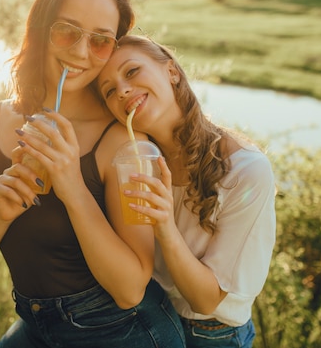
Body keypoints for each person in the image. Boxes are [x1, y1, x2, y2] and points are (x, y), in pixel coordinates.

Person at [0, 0, 185, 348]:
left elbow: (130, 290)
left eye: (100, 41)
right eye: (67, 31)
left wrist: (71, 182)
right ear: (41, 28)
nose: (79, 52)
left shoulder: (122, 142)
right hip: (36, 324)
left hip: (123, 331)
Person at [96, 35, 277, 348]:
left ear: (172, 72)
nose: (122, 90)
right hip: (150, 318)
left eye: (131, 72)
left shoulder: (246, 171)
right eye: (109, 90)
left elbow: (206, 301)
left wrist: (165, 227)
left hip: (211, 333)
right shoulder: (135, 159)